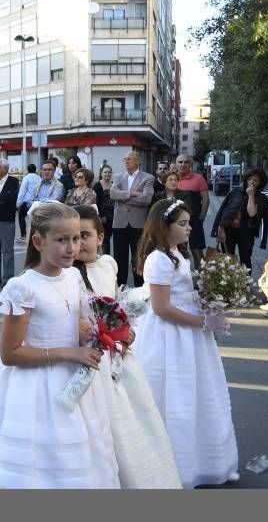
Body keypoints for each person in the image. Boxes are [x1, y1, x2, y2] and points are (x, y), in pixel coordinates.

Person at [0, 202, 119, 489]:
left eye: (76, 239)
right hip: (35, 386)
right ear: (38, 241)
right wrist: (68, 352)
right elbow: (10, 353)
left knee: (77, 456)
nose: (72, 248)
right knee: (38, 461)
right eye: (62, 240)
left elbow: (75, 323)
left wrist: (94, 334)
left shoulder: (74, 276)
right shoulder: (23, 287)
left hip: (73, 382)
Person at [72, 205, 181, 489]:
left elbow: (115, 301)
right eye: (71, 236)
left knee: (131, 416)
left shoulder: (108, 264)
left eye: (84, 235)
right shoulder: (68, 275)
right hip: (89, 355)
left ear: (100, 237)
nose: (77, 243)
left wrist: (125, 329)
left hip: (117, 352)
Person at [134, 199, 239, 488]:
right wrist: (204, 322)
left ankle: (204, 459)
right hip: (171, 335)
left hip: (188, 330)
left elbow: (184, 294)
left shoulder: (178, 254)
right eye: (182, 223)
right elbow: (161, 307)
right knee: (174, 395)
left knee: (198, 391)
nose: (189, 227)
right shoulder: (158, 259)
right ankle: (175, 463)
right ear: (164, 227)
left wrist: (209, 303)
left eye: (188, 222)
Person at [211, 168, 268, 269]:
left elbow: (252, 214)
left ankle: (245, 284)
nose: (252, 182)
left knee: (245, 260)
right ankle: (228, 283)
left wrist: (251, 195)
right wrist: (221, 229)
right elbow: (224, 212)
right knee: (227, 260)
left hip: (247, 232)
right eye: (250, 179)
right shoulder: (236, 191)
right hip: (229, 230)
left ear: (260, 182)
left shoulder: (261, 198)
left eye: (255, 180)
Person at [110, 151, 154, 286]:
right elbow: (112, 194)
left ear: (137, 161)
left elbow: (146, 199)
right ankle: (121, 288)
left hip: (138, 224)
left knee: (138, 258)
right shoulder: (118, 177)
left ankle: (140, 289)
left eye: (129, 159)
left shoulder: (148, 178)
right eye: (124, 159)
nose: (126, 161)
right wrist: (133, 194)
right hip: (119, 223)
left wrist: (123, 198)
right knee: (119, 258)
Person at [175, 154, 209, 270]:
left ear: (190, 164)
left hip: (194, 221)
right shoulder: (173, 179)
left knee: (197, 252)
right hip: (176, 222)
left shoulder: (199, 179)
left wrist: (201, 218)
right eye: (180, 162)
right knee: (179, 252)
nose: (182, 164)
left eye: (186, 162)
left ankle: (203, 282)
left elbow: (205, 199)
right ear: (176, 164)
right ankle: (181, 281)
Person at [93, 164, 115, 255]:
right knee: (104, 240)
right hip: (103, 217)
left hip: (114, 216)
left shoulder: (114, 185)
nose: (107, 174)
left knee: (111, 239)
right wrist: (101, 216)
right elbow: (96, 202)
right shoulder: (97, 186)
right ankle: (105, 258)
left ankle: (109, 259)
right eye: (105, 172)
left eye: (109, 172)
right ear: (101, 174)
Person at [15, 163, 40, 243]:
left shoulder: (26, 178)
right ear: (35, 170)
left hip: (26, 201)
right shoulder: (39, 178)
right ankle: (36, 235)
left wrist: (18, 203)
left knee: (21, 217)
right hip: (36, 201)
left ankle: (23, 235)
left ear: (28, 170)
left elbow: (22, 191)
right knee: (35, 219)